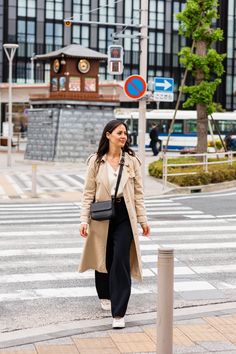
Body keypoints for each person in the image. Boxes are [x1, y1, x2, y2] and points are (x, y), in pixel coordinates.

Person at [79, 120, 150, 329]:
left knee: (120, 258)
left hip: (124, 214)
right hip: (101, 213)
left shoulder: (132, 161)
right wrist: (84, 219)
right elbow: (88, 193)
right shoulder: (95, 161)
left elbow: (139, 194)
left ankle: (118, 313)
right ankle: (104, 293)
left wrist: (143, 220)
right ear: (108, 135)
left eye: (125, 133)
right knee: (104, 255)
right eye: (119, 133)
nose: (124, 136)